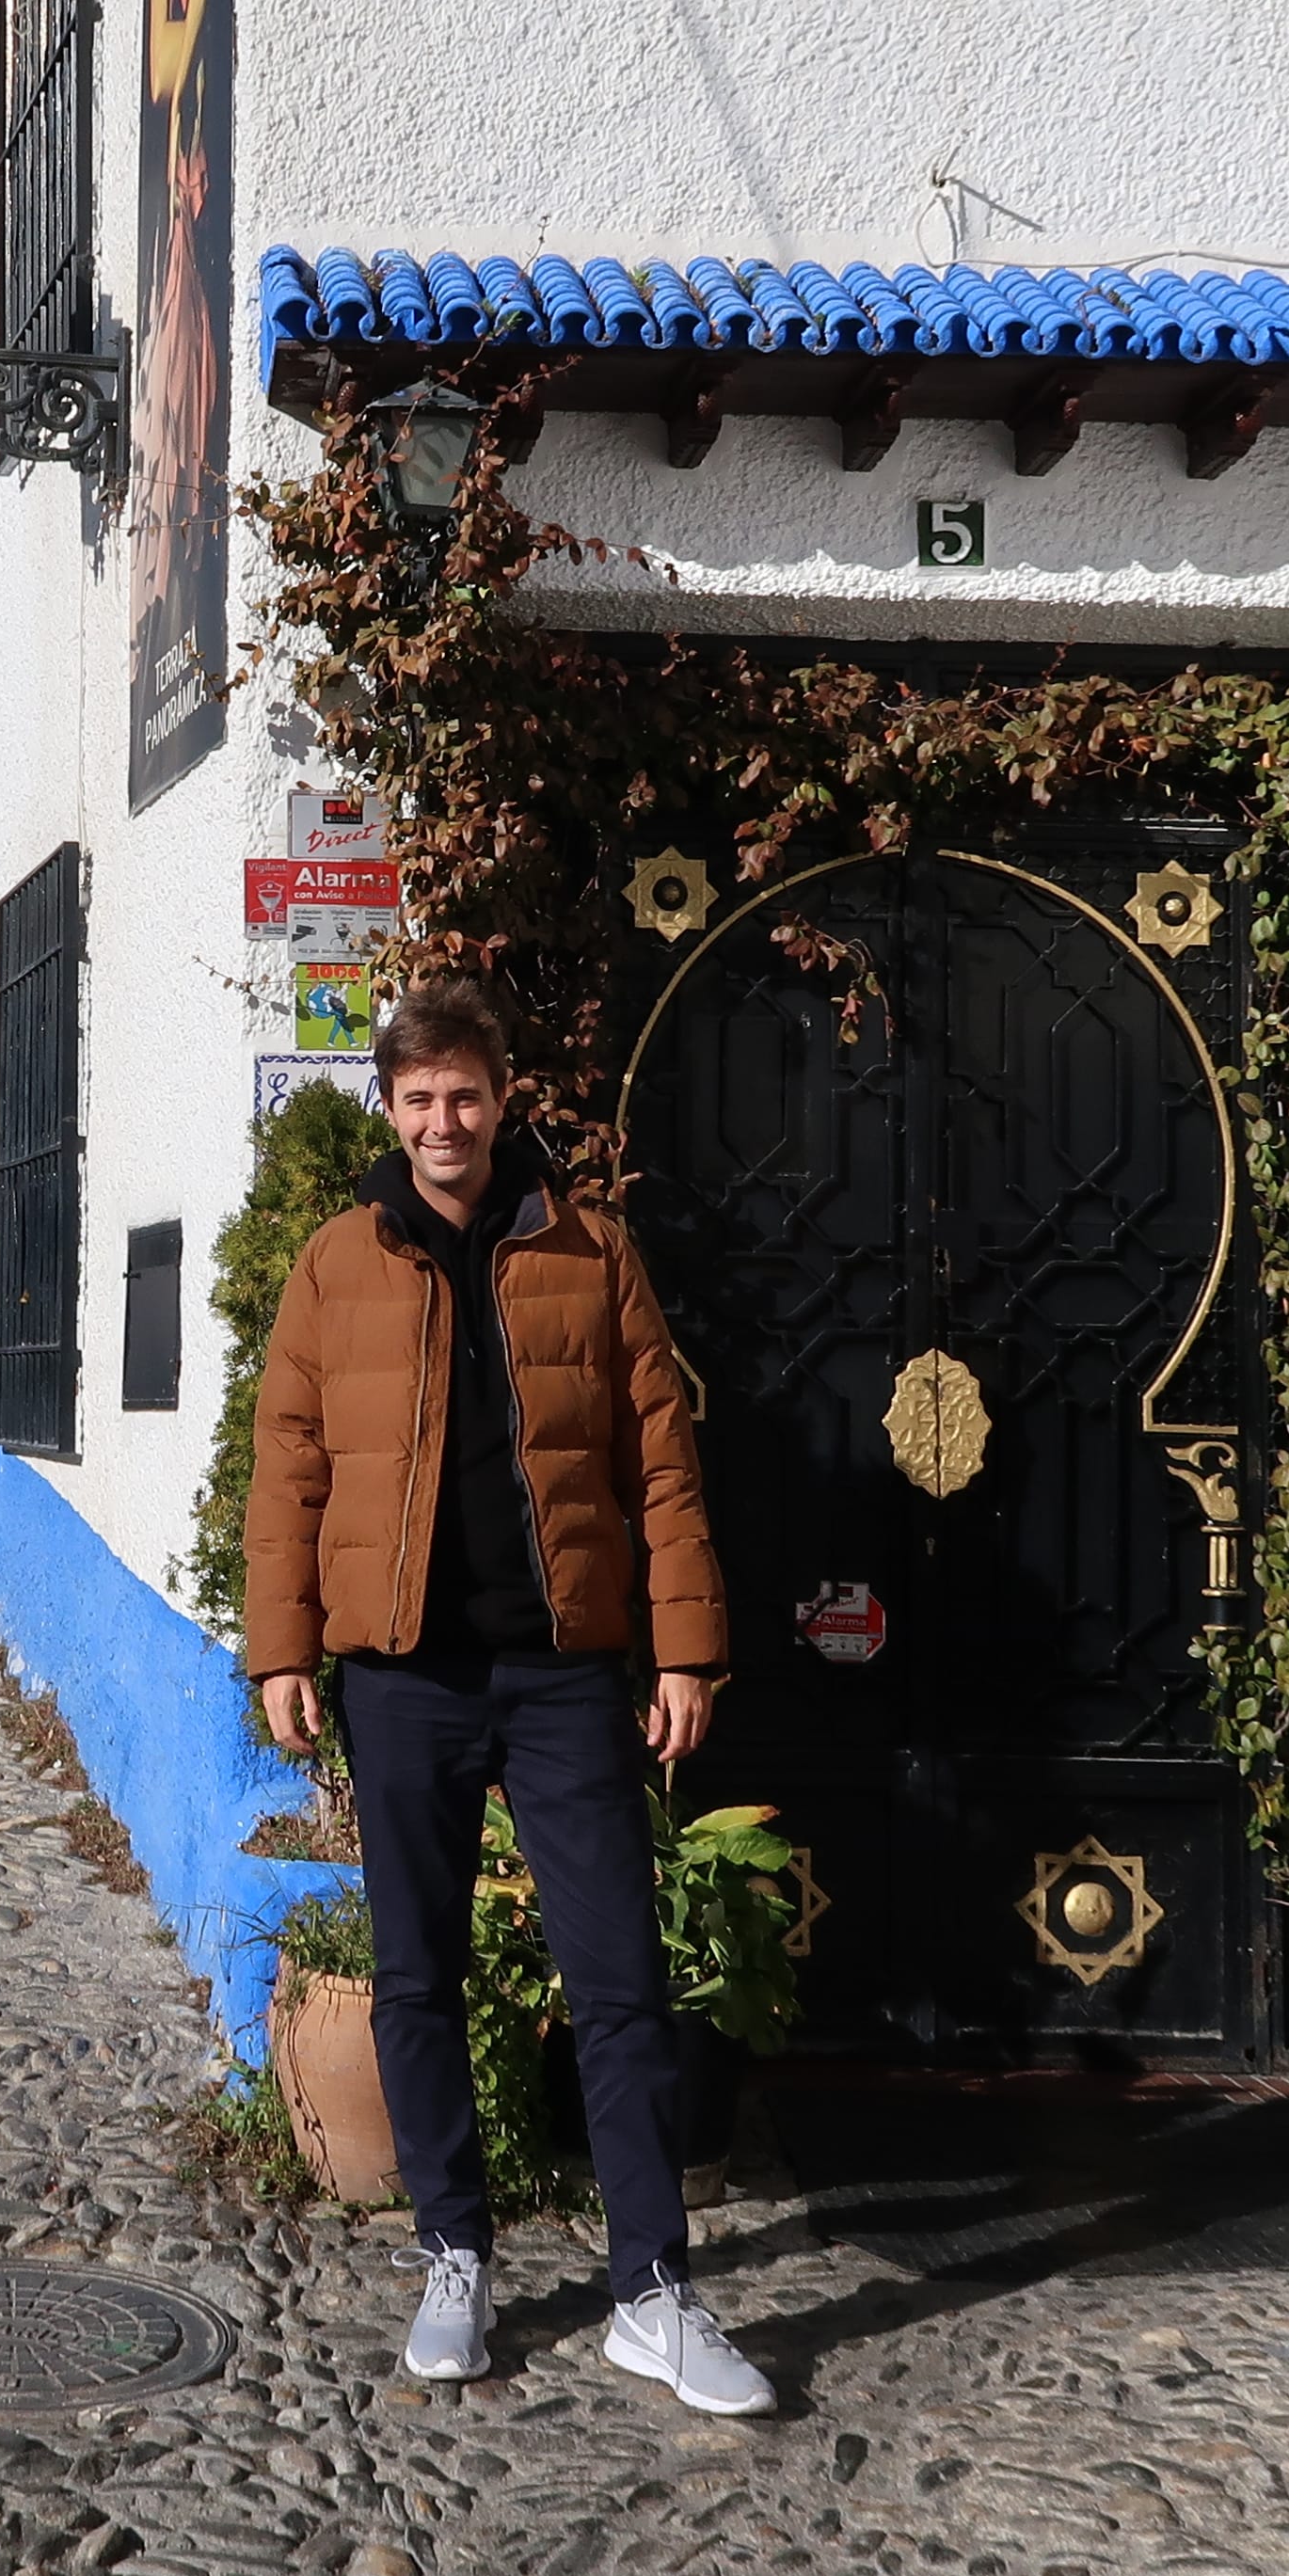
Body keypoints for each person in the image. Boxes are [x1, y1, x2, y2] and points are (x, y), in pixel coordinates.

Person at [242, 974, 769, 2414]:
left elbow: (661, 1460)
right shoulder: (337, 1266)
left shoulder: (591, 1252)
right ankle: (454, 2258)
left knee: (621, 1981)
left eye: (464, 1094)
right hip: (404, 1675)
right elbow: (288, 1465)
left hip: (562, 1674)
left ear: (502, 1098)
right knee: (417, 1975)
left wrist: (683, 1647)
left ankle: (653, 2291)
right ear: (391, 1110)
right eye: (417, 1099)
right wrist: (282, 1648)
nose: (443, 1122)